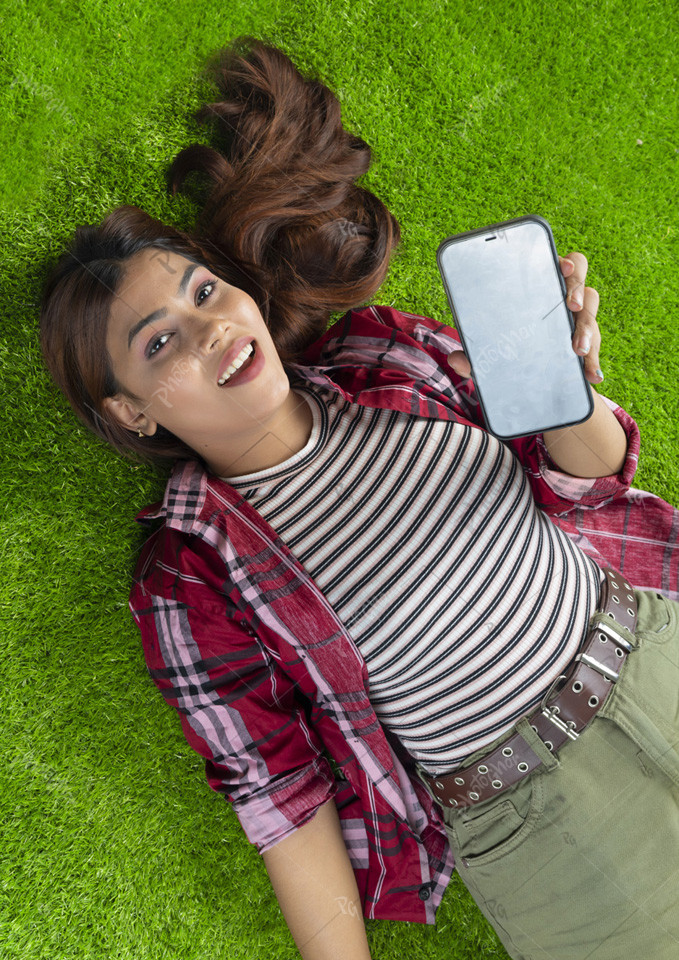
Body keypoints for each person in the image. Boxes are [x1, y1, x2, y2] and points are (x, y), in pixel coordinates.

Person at [40, 38, 679, 960]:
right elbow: (279, 794)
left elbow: (590, 479)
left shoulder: (388, 354)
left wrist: (571, 389)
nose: (213, 326)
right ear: (131, 413)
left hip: (653, 646)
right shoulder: (190, 573)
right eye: (158, 342)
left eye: (205, 290)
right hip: (549, 830)